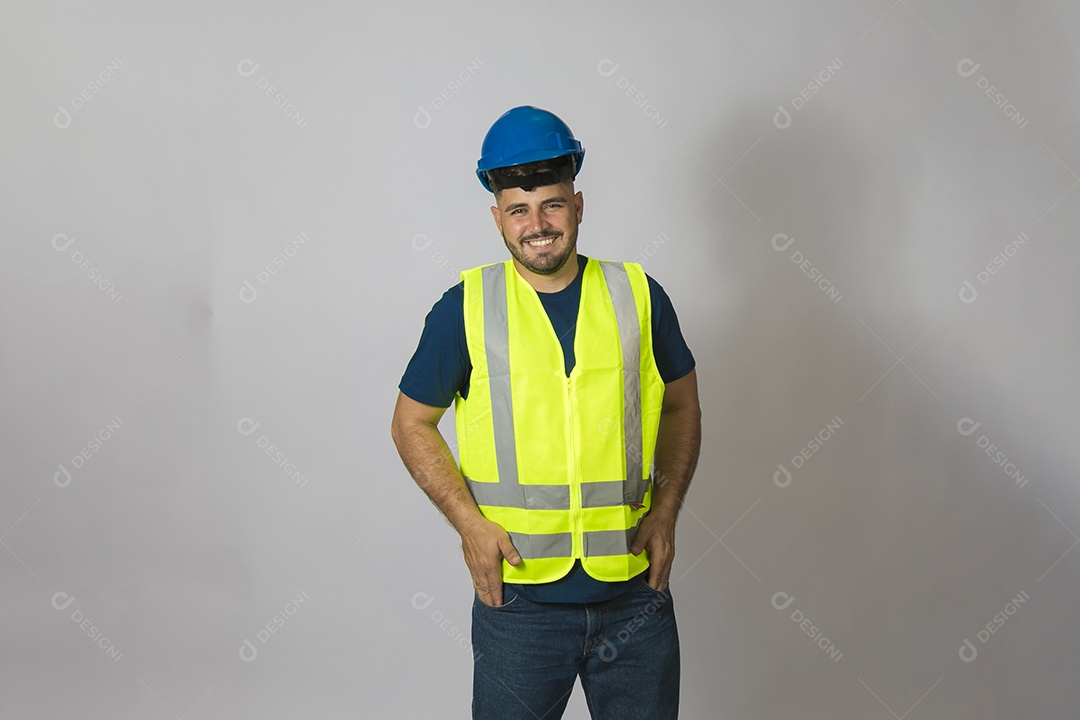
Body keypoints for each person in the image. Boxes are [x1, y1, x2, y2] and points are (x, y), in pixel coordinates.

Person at [390, 105, 701, 720]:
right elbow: (410, 422)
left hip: (635, 598)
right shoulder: (466, 308)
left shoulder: (637, 294)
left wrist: (665, 510)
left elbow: (683, 404)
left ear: (578, 206)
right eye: (518, 209)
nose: (538, 224)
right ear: (498, 218)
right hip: (521, 606)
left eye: (552, 204)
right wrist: (469, 525)